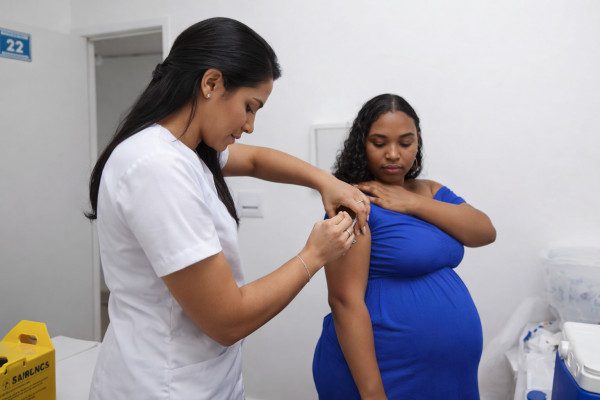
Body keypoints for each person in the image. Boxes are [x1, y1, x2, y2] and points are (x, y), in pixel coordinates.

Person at [86, 17, 370, 400]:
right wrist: (314, 255)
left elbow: (256, 160)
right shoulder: (157, 167)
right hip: (163, 386)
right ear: (211, 83)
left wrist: (325, 181)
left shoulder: (186, 151)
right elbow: (227, 320)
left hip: (202, 378)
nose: (250, 125)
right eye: (249, 107)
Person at [312, 94, 496, 400]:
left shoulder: (431, 191)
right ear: (361, 143)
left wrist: (411, 202)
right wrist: (373, 394)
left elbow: (484, 231)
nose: (393, 154)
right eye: (379, 143)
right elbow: (344, 301)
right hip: (387, 373)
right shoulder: (354, 204)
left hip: (448, 375)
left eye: (406, 142)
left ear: (418, 142)